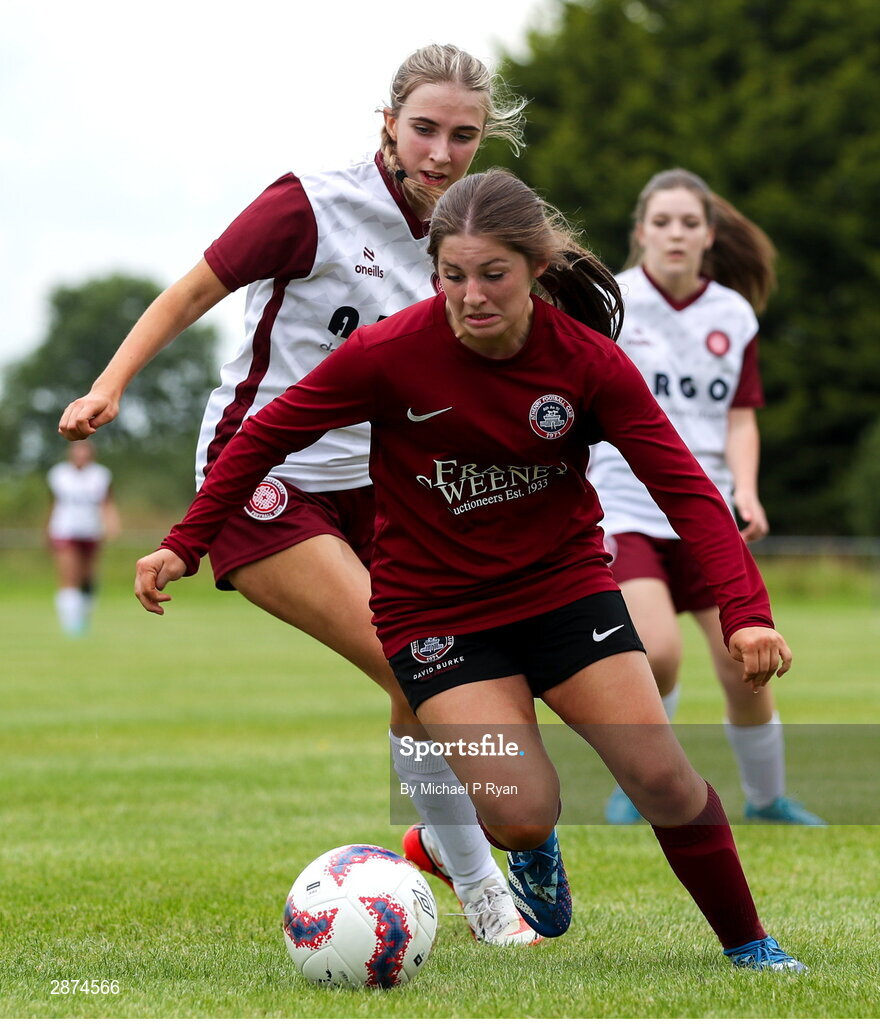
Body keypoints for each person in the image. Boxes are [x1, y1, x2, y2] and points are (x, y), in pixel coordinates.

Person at [132, 169, 807, 972]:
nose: (472, 295)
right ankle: (525, 845)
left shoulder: (585, 361)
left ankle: (751, 946)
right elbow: (265, 432)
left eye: (493, 275)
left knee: (662, 776)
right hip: (437, 616)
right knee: (525, 813)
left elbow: (690, 492)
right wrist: (186, 540)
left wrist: (746, 611)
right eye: (453, 275)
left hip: (564, 592)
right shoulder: (390, 353)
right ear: (434, 271)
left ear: (532, 268)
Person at [57, 45, 539, 947]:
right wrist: (111, 384)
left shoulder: (468, 234)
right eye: (424, 128)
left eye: (463, 135)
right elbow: (192, 290)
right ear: (387, 122)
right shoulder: (311, 203)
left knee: (429, 676)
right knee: (416, 665)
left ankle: (440, 842)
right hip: (262, 479)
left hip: (387, 493)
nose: (440, 151)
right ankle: (485, 897)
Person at [587, 168, 826, 827]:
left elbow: (741, 415)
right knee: (656, 652)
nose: (675, 234)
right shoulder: (612, 302)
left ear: (710, 236)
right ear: (639, 232)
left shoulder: (733, 313)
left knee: (747, 664)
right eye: (661, 222)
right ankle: (641, 779)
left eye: (689, 223)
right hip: (627, 510)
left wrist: (745, 489)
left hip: (707, 513)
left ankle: (766, 798)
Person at [46, 439, 120, 636]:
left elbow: (106, 503)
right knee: (69, 575)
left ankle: (83, 618)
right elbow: (54, 503)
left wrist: (111, 524)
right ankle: (70, 625)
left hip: (91, 531)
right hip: (65, 530)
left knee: (88, 578)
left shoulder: (100, 475)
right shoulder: (59, 474)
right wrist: (47, 529)